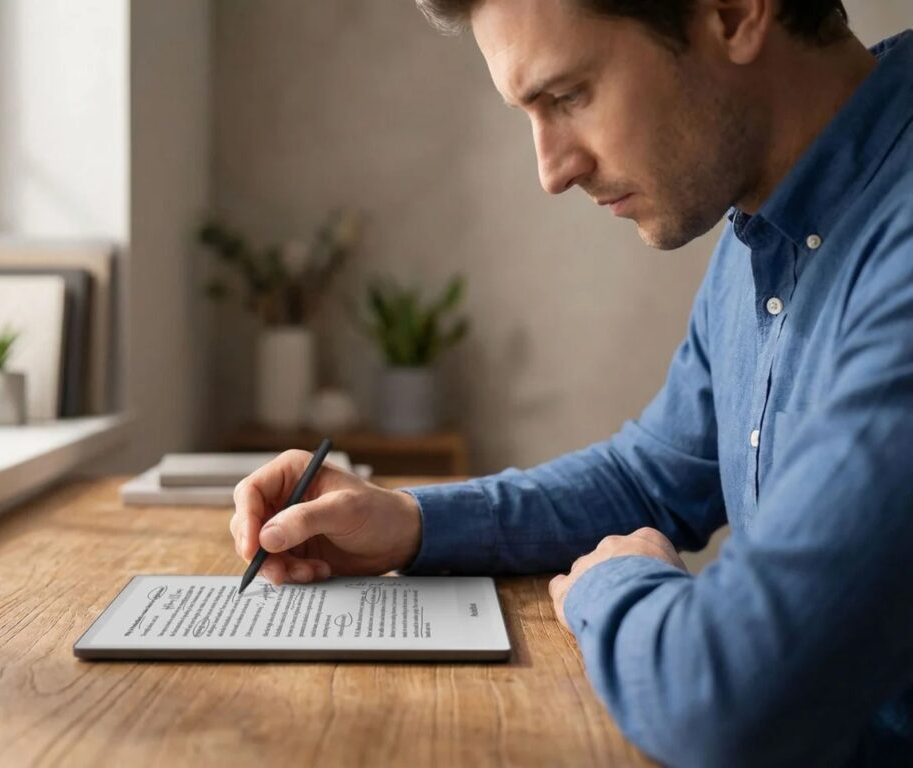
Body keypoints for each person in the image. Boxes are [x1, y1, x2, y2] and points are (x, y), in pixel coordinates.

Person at [229, 0, 913, 764]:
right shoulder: (763, 228)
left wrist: (616, 585)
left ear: (731, 13)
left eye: (568, 96)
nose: (552, 171)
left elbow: (724, 702)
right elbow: (649, 479)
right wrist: (409, 523)